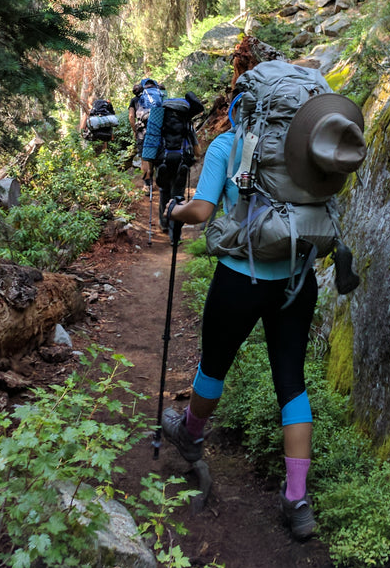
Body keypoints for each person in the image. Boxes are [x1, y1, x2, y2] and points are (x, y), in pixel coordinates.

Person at [161, 79, 365, 541]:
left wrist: (175, 211)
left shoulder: (228, 143)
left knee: (214, 365)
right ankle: (296, 498)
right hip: (298, 277)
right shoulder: (310, 151)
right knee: (292, 382)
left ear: (245, 105)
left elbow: (202, 211)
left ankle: (191, 436)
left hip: (240, 277)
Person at [140, 93, 203, 231]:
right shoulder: (186, 124)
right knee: (178, 193)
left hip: (163, 162)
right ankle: (176, 227)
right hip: (182, 163)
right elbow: (198, 151)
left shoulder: (160, 124)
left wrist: (149, 167)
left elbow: (152, 144)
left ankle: (164, 223)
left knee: (164, 191)